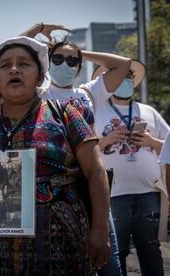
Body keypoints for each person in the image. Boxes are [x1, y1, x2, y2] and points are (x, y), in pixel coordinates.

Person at [0, 36, 110, 275]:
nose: (14, 69)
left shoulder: (65, 115)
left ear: (40, 77)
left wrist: (100, 230)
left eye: (24, 64)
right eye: (5, 65)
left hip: (65, 243)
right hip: (0, 252)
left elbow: (95, 171)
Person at [23, 22, 131, 276]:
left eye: (72, 61)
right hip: (54, 190)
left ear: (80, 68)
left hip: (91, 184)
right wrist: (38, 31)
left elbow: (123, 64)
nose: (65, 64)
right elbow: (9, 52)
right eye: (58, 59)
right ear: (47, 63)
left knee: (109, 261)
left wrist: (81, 52)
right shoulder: (38, 94)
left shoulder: (88, 93)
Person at [92, 61, 169, 276]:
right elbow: (82, 153)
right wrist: (106, 140)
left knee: (151, 251)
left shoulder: (149, 111)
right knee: (116, 253)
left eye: (129, 76)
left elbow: (169, 146)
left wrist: (151, 141)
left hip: (149, 193)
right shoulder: (95, 111)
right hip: (111, 196)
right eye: (120, 76)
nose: (124, 80)